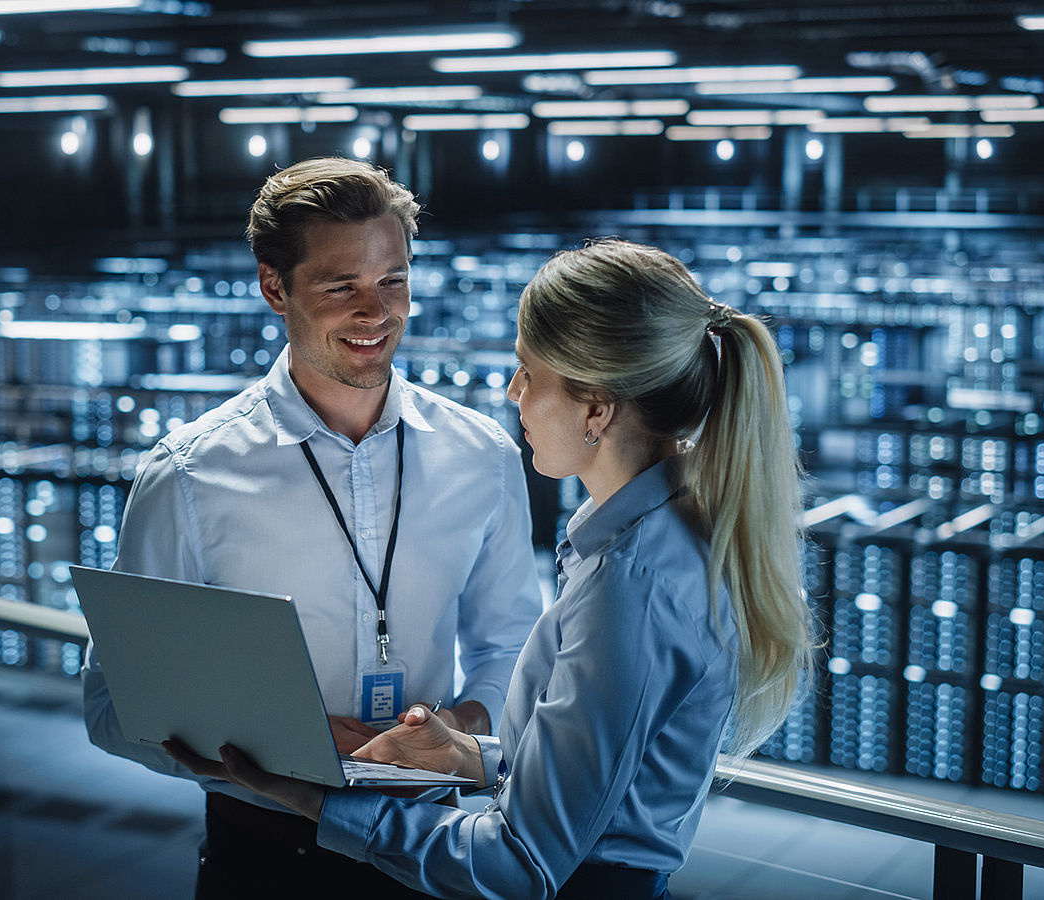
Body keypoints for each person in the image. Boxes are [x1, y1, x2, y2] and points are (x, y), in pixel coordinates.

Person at [166, 238, 815, 899]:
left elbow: (518, 866)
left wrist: (311, 796)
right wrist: (467, 756)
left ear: (596, 407)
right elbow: (604, 779)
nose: (512, 395)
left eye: (529, 374)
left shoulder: (630, 584)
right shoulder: (661, 540)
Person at [81, 157, 544, 898]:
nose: (377, 311)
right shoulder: (191, 474)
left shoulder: (480, 454)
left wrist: (453, 727)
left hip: (432, 846)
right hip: (264, 859)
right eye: (342, 287)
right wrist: (277, 750)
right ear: (275, 287)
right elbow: (111, 702)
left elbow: (511, 641)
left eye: (393, 280)